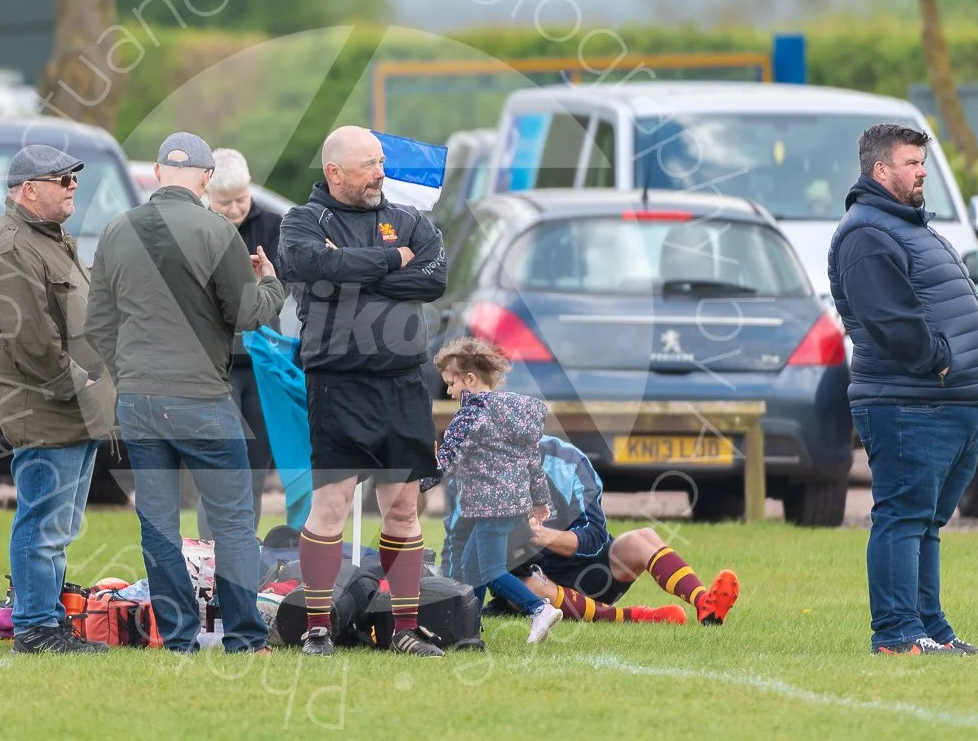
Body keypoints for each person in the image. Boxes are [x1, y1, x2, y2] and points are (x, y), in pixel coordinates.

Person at [85, 131, 286, 654]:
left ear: (155, 173)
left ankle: (177, 638)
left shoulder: (115, 230)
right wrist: (272, 285)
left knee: (158, 523)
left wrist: (128, 375)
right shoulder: (218, 230)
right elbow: (245, 315)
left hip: (139, 399)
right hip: (201, 398)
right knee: (234, 522)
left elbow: (99, 323)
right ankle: (244, 636)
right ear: (204, 179)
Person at [277, 125, 449, 658]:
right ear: (334, 172)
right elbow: (315, 266)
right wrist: (393, 261)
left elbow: (435, 277)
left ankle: (403, 629)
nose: (381, 172)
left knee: (402, 509)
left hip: (402, 382)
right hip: (339, 381)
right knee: (331, 504)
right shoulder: (303, 221)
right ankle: (318, 628)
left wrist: (358, 273)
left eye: (380, 161)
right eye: (369, 164)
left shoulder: (407, 218)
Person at [829, 123, 978, 656]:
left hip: (945, 403)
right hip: (908, 401)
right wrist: (939, 362)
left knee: (925, 522)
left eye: (922, 162)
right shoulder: (866, 233)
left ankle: (931, 630)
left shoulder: (903, 225)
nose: (922, 170)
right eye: (910, 162)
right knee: (903, 516)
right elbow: (890, 320)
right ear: (880, 170)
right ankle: (898, 634)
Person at [0, 143, 110, 655]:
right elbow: (30, 340)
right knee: (43, 523)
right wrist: (81, 385)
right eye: (63, 179)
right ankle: (34, 628)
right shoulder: (12, 246)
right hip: (47, 408)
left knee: (62, 526)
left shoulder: (50, 237)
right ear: (29, 190)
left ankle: (49, 621)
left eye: (74, 178)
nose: (73, 186)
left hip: (74, 406)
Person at [434, 426, 739, 627]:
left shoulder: (567, 460)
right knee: (532, 586)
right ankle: (638, 617)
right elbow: (461, 552)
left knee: (642, 537)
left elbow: (594, 536)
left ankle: (704, 603)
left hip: (590, 567)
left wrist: (543, 535)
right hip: (534, 584)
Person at [431, 337, 563, 645]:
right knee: (473, 566)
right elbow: (532, 458)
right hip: (511, 503)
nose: (449, 391)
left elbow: (447, 455)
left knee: (488, 568)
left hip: (489, 506)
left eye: (451, 384)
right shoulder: (514, 413)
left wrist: (421, 480)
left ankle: (538, 609)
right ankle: (469, 630)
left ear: (471, 380)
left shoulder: (470, 414)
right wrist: (539, 500)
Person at [196, 147, 284, 530]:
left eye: (241, 200)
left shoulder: (274, 225)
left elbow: (284, 287)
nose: (233, 210)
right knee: (218, 467)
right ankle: (209, 555)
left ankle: (247, 551)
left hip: (263, 360)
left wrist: (262, 280)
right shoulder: (197, 228)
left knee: (254, 468)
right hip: (217, 365)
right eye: (223, 203)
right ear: (206, 197)